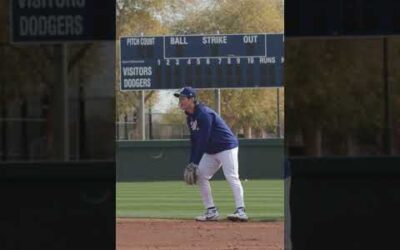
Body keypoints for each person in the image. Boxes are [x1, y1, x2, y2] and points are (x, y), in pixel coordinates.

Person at [173, 86, 248, 222]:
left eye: (183, 98)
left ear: (192, 99)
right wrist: (191, 163)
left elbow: (203, 139)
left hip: (226, 146)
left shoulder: (204, 114)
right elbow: (194, 141)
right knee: (200, 175)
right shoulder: (190, 117)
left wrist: (195, 162)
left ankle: (241, 210)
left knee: (231, 176)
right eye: (180, 98)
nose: (180, 101)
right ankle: (211, 210)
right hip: (211, 151)